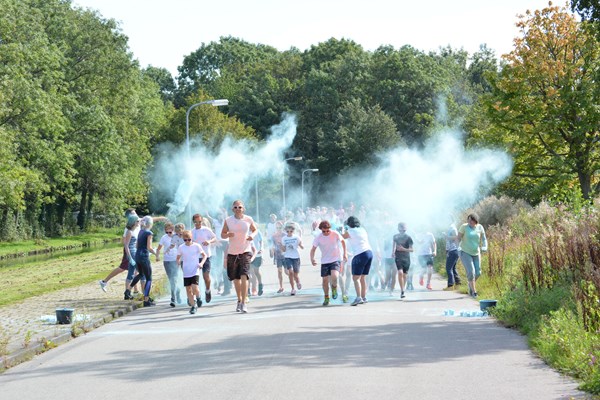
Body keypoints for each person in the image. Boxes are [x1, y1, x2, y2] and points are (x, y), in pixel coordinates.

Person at [220, 200, 257, 313]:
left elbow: (255, 230)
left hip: (245, 250)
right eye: (235, 207)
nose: (237, 209)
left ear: (243, 208)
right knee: (236, 279)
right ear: (232, 209)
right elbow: (222, 234)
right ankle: (239, 299)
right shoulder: (228, 220)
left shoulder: (248, 219)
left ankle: (244, 302)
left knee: (244, 275)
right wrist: (227, 234)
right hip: (232, 252)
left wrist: (252, 236)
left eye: (239, 207)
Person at [98, 213, 140, 299]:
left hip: (133, 252)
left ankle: (130, 292)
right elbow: (126, 244)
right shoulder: (129, 232)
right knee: (128, 270)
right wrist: (130, 257)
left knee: (132, 271)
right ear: (133, 222)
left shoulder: (134, 230)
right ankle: (130, 292)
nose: (139, 222)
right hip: (130, 253)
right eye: (137, 221)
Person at [310, 220, 347, 306]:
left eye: (327, 230)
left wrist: (345, 253)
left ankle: (334, 288)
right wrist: (312, 259)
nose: (326, 232)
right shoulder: (318, 237)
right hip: (325, 261)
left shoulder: (335, 233)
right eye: (324, 231)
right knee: (325, 281)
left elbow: (343, 242)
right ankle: (326, 297)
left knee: (335, 276)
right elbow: (313, 249)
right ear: (321, 230)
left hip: (335, 259)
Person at [342, 216, 373, 306]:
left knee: (356, 278)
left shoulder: (351, 231)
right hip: (369, 252)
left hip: (360, 254)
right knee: (362, 278)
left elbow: (342, 237)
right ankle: (364, 297)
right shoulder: (362, 229)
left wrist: (343, 229)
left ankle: (358, 298)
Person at [458, 213, 488, 298]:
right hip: (465, 252)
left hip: (476, 252)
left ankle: (470, 285)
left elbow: (484, 238)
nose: (469, 222)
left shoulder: (480, 227)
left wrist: (485, 246)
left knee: (478, 272)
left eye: (471, 220)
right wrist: (458, 247)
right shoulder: (464, 227)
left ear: (475, 221)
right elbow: (458, 238)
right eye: (468, 220)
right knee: (471, 272)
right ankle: (474, 292)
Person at [176, 230, 207, 314]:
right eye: (185, 240)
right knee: (188, 290)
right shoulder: (181, 247)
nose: (187, 241)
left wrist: (201, 263)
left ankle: (198, 297)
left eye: (189, 239)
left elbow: (204, 256)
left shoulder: (197, 246)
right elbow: (178, 257)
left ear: (191, 238)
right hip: (186, 271)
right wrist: (178, 262)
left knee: (195, 288)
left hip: (195, 270)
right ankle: (193, 306)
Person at [130, 216, 157, 307]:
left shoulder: (140, 231)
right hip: (144, 257)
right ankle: (146, 300)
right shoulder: (149, 233)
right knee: (149, 278)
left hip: (137, 255)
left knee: (141, 274)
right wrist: (156, 253)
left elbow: (137, 246)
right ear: (150, 224)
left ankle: (128, 289)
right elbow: (149, 248)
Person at [191, 213, 217, 304]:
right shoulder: (192, 232)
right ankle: (193, 296)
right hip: (195, 258)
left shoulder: (206, 229)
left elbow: (214, 237)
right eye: (196, 222)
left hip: (206, 256)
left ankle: (207, 290)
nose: (198, 224)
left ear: (202, 221)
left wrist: (209, 241)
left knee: (206, 276)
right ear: (193, 222)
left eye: (199, 222)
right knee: (194, 278)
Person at [155, 222, 182, 307]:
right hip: (167, 261)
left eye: (170, 232)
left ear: (173, 230)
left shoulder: (177, 237)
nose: (168, 234)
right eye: (166, 232)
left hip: (175, 260)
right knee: (171, 280)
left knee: (174, 279)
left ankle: (173, 298)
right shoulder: (164, 237)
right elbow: (158, 248)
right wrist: (157, 256)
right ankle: (177, 292)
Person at [393, 222, 413, 298]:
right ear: (398, 228)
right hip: (398, 257)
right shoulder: (395, 236)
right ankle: (402, 291)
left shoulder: (408, 238)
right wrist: (393, 252)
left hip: (406, 258)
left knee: (404, 275)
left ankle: (403, 289)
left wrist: (403, 249)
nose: (402, 229)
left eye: (403, 228)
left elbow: (412, 250)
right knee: (400, 273)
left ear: (405, 229)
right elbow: (394, 245)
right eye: (400, 227)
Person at [282, 223, 303, 295]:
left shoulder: (296, 237)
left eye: (291, 231)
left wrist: (301, 245)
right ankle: (293, 289)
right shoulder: (284, 238)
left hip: (296, 257)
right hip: (288, 257)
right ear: (286, 231)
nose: (289, 233)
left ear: (293, 231)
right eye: (287, 231)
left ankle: (298, 282)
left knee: (295, 274)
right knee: (290, 272)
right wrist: (281, 247)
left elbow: (301, 246)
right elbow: (284, 249)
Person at [444, 220, 461, 290]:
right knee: (453, 268)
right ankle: (458, 283)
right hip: (452, 250)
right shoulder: (450, 228)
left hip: (453, 250)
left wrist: (447, 237)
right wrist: (447, 250)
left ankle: (450, 285)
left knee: (448, 268)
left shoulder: (453, 228)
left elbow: (456, 237)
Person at [271, 221, 286, 293]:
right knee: (279, 271)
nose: (278, 229)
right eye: (277, 228)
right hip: (278, 255)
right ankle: (281, 287)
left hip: (286, 256)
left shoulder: (285, 235)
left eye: (280, 227)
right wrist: (272, 251)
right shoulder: (273, 236)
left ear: (282, 228)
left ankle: (293, 280)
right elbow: (272, 245)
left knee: (287, 272)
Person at [249, 228, 264, 296]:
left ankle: (260, 285)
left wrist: (261, 249)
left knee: (256, 272)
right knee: (249, 272)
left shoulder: (257, 231)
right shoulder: (245, 230)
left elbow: (261, 241)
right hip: (248, 254)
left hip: (257, 254)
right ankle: (249, 289)